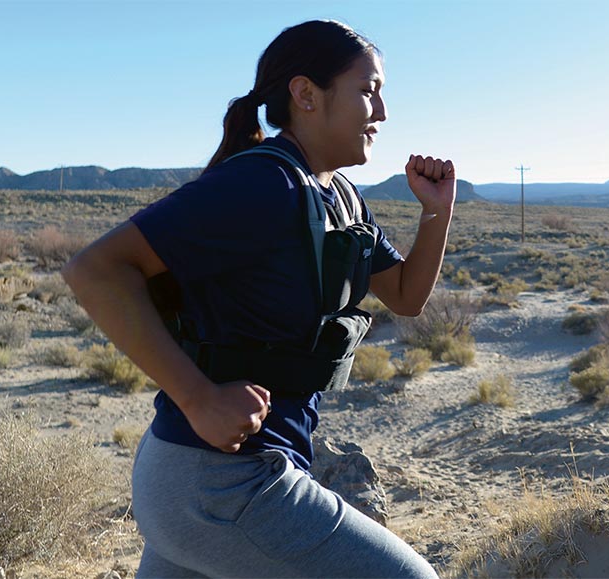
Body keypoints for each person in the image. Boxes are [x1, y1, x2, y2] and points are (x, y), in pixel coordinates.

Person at [63, 19, 455, 579]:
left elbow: (406, 295)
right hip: (222, 483)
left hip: (196, 481)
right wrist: (198, 397)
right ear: (305, 95)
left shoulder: (337, 195)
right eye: (369, 90)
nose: (383, 112)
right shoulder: (263, 185)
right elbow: (95, 270)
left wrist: (436, 209)